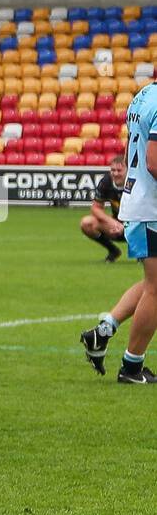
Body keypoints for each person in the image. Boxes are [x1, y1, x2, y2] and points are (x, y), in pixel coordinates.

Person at [84, 81, 157, 384]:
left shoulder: (144, 95)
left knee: (152, 283)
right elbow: (154, 162)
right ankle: (131, 367)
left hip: (139, 200)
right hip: (151, 207)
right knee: (156, 289)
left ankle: (102, 332)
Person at [79, 154, 127, 262]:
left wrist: (128, 226)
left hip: (137, 226)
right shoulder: (106, 182)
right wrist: (113, 223)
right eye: (112, 170)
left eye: (119, 170)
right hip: (117, 225)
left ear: (128, 171)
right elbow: (96, 208)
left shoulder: (136, 183)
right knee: (87, 223)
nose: (115, 173)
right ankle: (113, 251)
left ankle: (143, 255)